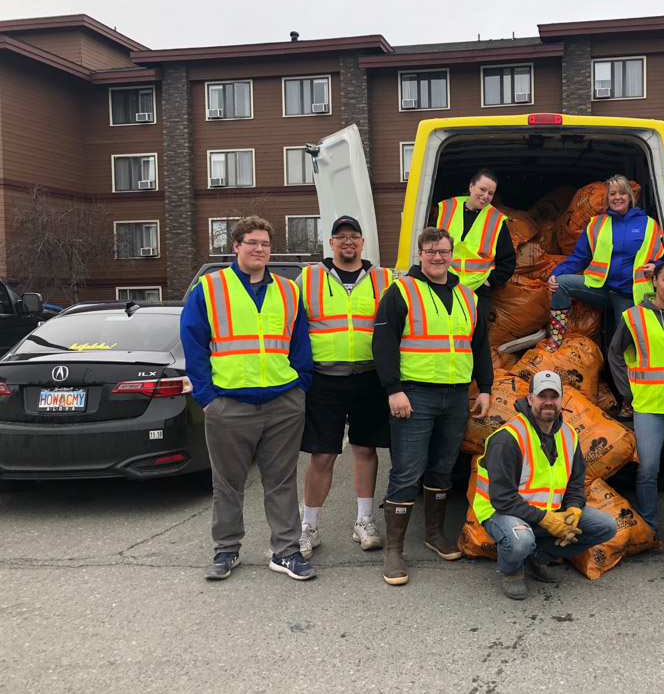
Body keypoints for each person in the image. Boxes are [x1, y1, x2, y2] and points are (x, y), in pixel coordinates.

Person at [180, 215, 315, 581]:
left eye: (265, 244)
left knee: (282, 480)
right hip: (229, 405)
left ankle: (286, 552)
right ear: (236, 246)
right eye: (252, 242)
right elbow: (193, 345)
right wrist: (207, 397)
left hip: (283, 402)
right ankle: (226, 550)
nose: (260, 249)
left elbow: (300, 342)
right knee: (227, 483)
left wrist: (300, 385)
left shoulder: (288, 290)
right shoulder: (210, 288)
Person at [372, 226, 493, 586]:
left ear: (452, 255)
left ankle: (435, 534)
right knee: (407, 471)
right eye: (430, 251)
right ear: (420, 254)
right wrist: (394, 390)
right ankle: (395, 550)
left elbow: (480, 345)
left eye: (443, 251)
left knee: (442, 467)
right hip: (415, 394)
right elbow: (384, 343)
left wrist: (484, 389)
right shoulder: (401, 292)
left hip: (455, 396)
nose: (437, 257)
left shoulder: (467, 296)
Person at [473, 370, 619, 600]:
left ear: (562, 400)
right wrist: (547, 520)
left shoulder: (569, 435)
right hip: (500, 512)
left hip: (548, 509)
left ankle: (538, 556)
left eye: (554, 396)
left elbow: (576, 482)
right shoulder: (509, 438)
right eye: (542, 396)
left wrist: (573, 508)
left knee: (606, 526)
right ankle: (512, 571)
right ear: (530, 399)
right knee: (521, 540)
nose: (548, 402)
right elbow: (502, 498)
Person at [297, 215, 393, 560]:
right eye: (341, 236)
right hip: (324, 380)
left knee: (366, 450)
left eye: (354, 236)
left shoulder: (383, 278)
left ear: (363, 243)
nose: (348, 241)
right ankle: (309, 525)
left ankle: (364, 520)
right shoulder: (309, 277)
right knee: (323, 454)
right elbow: (292, 327)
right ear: (331, 242)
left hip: (369, 378)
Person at [608, 260, 664, 549]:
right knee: (647, 468)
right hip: (648, 403)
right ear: (655, 282)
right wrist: (629, 393)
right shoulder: (634, 317)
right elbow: (615, 354)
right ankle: (648, 528)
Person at [545, 174, 664, 353]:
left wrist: (656, 268)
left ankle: (628, 379)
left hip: (628, 294)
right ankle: (556, 339)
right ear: (607, 198)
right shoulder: (596, 224)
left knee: (627, 346)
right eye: (613, 193)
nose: (617, 197)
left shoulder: (648, 224)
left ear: (630, 197)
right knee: (561, 284)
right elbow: (579, 258)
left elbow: (659, 257)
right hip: (599, 287)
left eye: (622, 193)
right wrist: (555, 274)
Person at [435, 168, 516, 323]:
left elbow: (508, 261)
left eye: (491, 193)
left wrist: (490, 282)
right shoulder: (446, 209)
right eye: (482, 189)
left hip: (478, 289)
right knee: (444, 332)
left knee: (475, 337)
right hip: (445, 285)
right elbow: (429, 247)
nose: (486, 196)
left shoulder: (496, 219)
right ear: (471, 186)